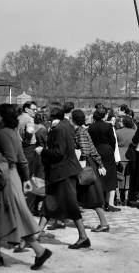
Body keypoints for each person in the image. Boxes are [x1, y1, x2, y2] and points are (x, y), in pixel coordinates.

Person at [0, 104, 51, 269]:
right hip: (11, 179)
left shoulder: (3, 133)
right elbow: (22, 160)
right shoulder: (13, 132)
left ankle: (39, 251)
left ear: (2, 116)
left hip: (3, 181)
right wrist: (25, 180)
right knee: (1, 217)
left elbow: (11, 158)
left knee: (4, 216)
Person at [37, 102, 90, 250]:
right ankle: (36, 233)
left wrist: (42, 151)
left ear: (52, 115)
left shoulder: (59, 129)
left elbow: (59, 152)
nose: (45, 114)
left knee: (71, 205)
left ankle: (83, 237)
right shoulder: (63, 126)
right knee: (49, 203)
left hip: (63, 173)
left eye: (46, 111)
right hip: (60, 172)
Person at [71, 109, 110, 232]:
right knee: (86, 195)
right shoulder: (81, 130)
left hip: (86, 166)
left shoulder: (80, 132)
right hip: (88, 164)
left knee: (92, 196)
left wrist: (81, 164)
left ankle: (104, 224)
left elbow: (85, 151)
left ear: (74, 120)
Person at [88, 106, 120, 212]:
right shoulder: (108, 126)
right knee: (110, 177)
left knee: (98, 176)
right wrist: (111, 149)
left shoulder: (91, 127)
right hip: (107, 151)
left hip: (95, 151)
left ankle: (99, 202)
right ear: (104, 115)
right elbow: (113, 141)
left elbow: (90, 141)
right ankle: (109, 203)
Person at [116, 115, 136, 205]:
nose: (119, 122)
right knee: (128, 179)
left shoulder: (117, 132)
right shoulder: (134, 131)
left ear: (124, 122)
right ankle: (127, 198)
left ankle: (118, 197)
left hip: (120, 156)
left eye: (120, 121)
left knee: (118, 178)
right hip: (130, 156)